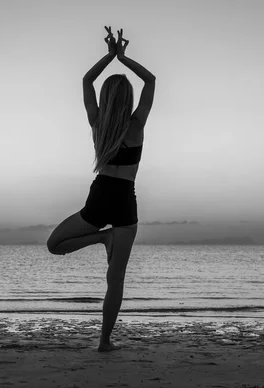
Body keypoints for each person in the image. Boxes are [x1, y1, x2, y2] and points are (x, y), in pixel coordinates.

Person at [47, 26, 156, 352]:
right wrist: (124, 56)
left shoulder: (98, 124)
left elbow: (86, 81)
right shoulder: (137, 125)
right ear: (129, 99)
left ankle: (99, 237)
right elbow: (151, 81)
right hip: (125, 202)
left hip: (100, 199)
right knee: (116, 280)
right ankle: (104, 342)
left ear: (107, 99)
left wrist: (109, 56)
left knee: (54, 245)